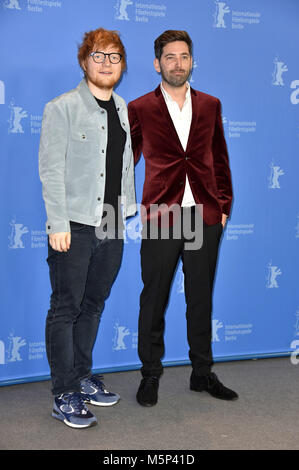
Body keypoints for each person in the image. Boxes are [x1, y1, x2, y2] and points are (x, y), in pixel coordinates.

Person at [128, 30, 238, 407]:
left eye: (184, 56)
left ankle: (202, 373)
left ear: (193, 61)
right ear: (157, 63)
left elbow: (219, 158)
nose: (178, 63)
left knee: (201, 299)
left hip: (205, 215)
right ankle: (150, 375)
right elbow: (128, 162)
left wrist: (224, 206)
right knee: (154, 298)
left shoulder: (210, 104)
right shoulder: (139, 107)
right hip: (162, 214)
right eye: (170, 57)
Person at [39, 27, 136, 428]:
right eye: (98, 55)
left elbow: (123, 165)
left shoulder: (123, 108)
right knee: (66, 308)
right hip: (74, 226)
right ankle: (64, 391)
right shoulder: (61, 108)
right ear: (84, 61)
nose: (106, 63)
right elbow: (51, 169)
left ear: (122, 65)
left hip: (112, 224)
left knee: (93, 305)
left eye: (113, 57)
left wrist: (128, 210)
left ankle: (81, 376)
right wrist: (58, 223)